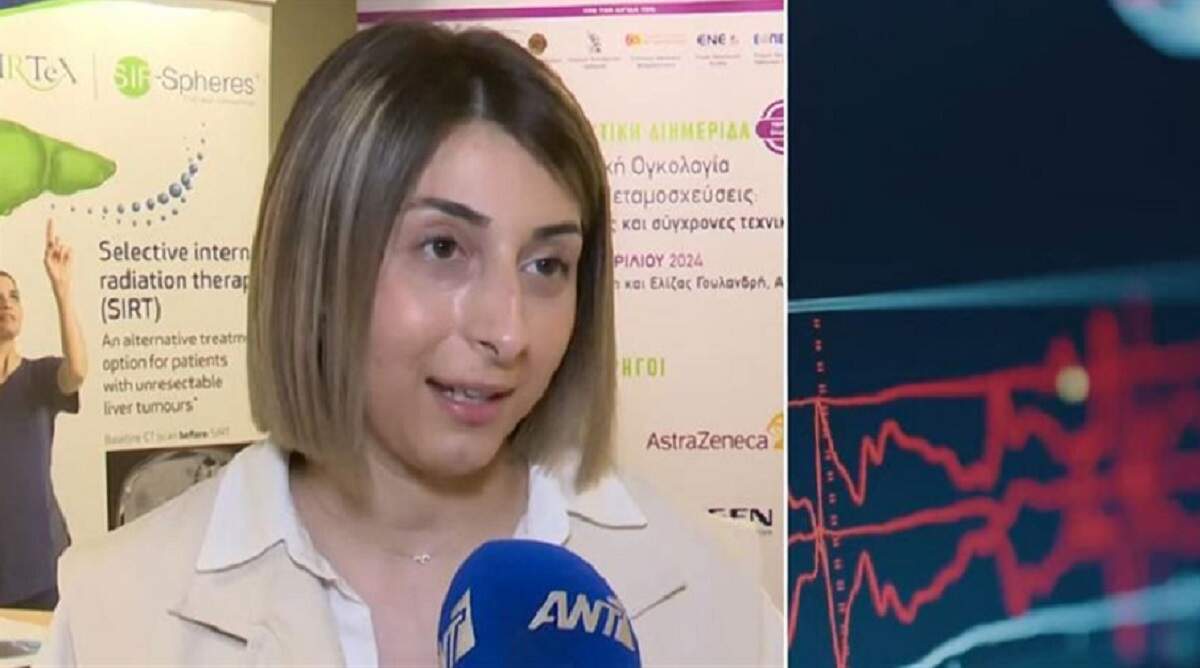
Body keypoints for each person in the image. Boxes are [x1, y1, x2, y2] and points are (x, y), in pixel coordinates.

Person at [38, 22, 783, 666]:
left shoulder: (712, 590)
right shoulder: (118, 611)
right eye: (442, 248)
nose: (508, 330)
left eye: (547, 265)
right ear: (315, 263)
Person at [0, 219, 87, 612]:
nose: (6, 303)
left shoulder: (38, 377)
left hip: (42, 570)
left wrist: (62, 290)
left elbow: (77, 371)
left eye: (14, 296)